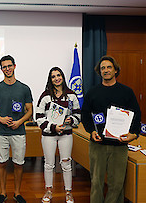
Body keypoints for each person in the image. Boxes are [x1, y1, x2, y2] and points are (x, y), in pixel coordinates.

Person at [81, 56, 141, 203]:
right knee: (96, 183)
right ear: (99, 72)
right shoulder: (92, 92)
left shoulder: (127, 92)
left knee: (117, 185)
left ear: (115, 70)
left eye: (109, 67)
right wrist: (91, 131)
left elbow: (136, 115)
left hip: (119, 146)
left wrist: (133, 135)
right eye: (102, 68)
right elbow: (85, 115)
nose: (105, 70)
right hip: (97, 145)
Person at [0, 55, 33, 203]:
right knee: (1, 163)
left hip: (18, 132)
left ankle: (17, 193)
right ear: (1, 69)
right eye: (4, 67)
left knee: (18, 163)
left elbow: (29, 111)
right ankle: (3, 193)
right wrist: (1, 119)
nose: (7, 69)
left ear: (14, 66)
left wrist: (19, 122)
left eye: (9, 66)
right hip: (1, 132)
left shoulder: (24, 88)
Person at [35, 67, 81, 203]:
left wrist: (71, 120)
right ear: (50, 79)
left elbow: (78, 114)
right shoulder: (45, 96)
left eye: (59, 75)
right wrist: (53, 127)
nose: (57, 78)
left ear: (62, 77)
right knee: (49, 164)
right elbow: (38, 117)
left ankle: (68, 192)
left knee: (66, 164)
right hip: (49, 135)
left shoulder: (71, 95)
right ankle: (48, 191)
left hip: (66, 134)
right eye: (53, 76)